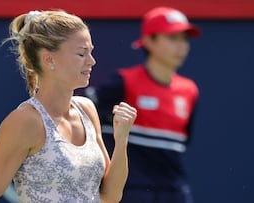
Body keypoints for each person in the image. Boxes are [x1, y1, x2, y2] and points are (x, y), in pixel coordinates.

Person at [0, 10, 137, 203]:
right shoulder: (25, 122)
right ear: (49, 59)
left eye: (90, 52)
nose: (92, 61)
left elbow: (110, 197)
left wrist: (122, 139)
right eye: (82, 53)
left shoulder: (87, 110)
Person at [85, 6, 200, 203]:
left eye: (184, 39)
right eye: (173, 38)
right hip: (129, 191)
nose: (181, 46)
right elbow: (81, 118)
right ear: (149, 41)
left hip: (174, 192)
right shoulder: (123, 82)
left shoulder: (190, 90)